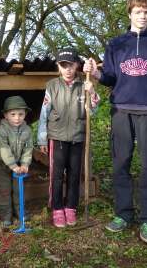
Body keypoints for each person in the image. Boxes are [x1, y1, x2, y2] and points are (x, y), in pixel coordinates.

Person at [83, 0, 147, 245]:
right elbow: (110, 78)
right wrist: (95, 74)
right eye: (138, 12)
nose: (142, 16)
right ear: (130, 13)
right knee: (120, 165)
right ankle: (123, 214)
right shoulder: (115, 44)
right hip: (121, 112)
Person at [37, 48, 99, 228]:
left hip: (77, 137)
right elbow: (44, 113)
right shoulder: (52, 86)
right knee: (56, 175)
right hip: (56, 138)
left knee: (74, 175)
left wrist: (93, 93)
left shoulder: (84, 84)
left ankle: (70, 207)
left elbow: (92, 111)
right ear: (58, 66)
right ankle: (57, 208)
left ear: (76, 65)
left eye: (70, 65)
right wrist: (42, 139)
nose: (67, 69)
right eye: (63, 65)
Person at [0, 96, 34, 226]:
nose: (17, 118)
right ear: (6, 115)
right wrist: (12, 165)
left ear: (25, 114)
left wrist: (25, 163)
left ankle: (19, 211)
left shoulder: (26, 130)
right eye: (13, 114)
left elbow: (28, 148)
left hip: (19, 166)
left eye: (21, 114)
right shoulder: (2, 130)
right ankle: (5, 213)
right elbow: (3, 149)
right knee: (4, 189)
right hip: (3, 164)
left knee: (18, 188)